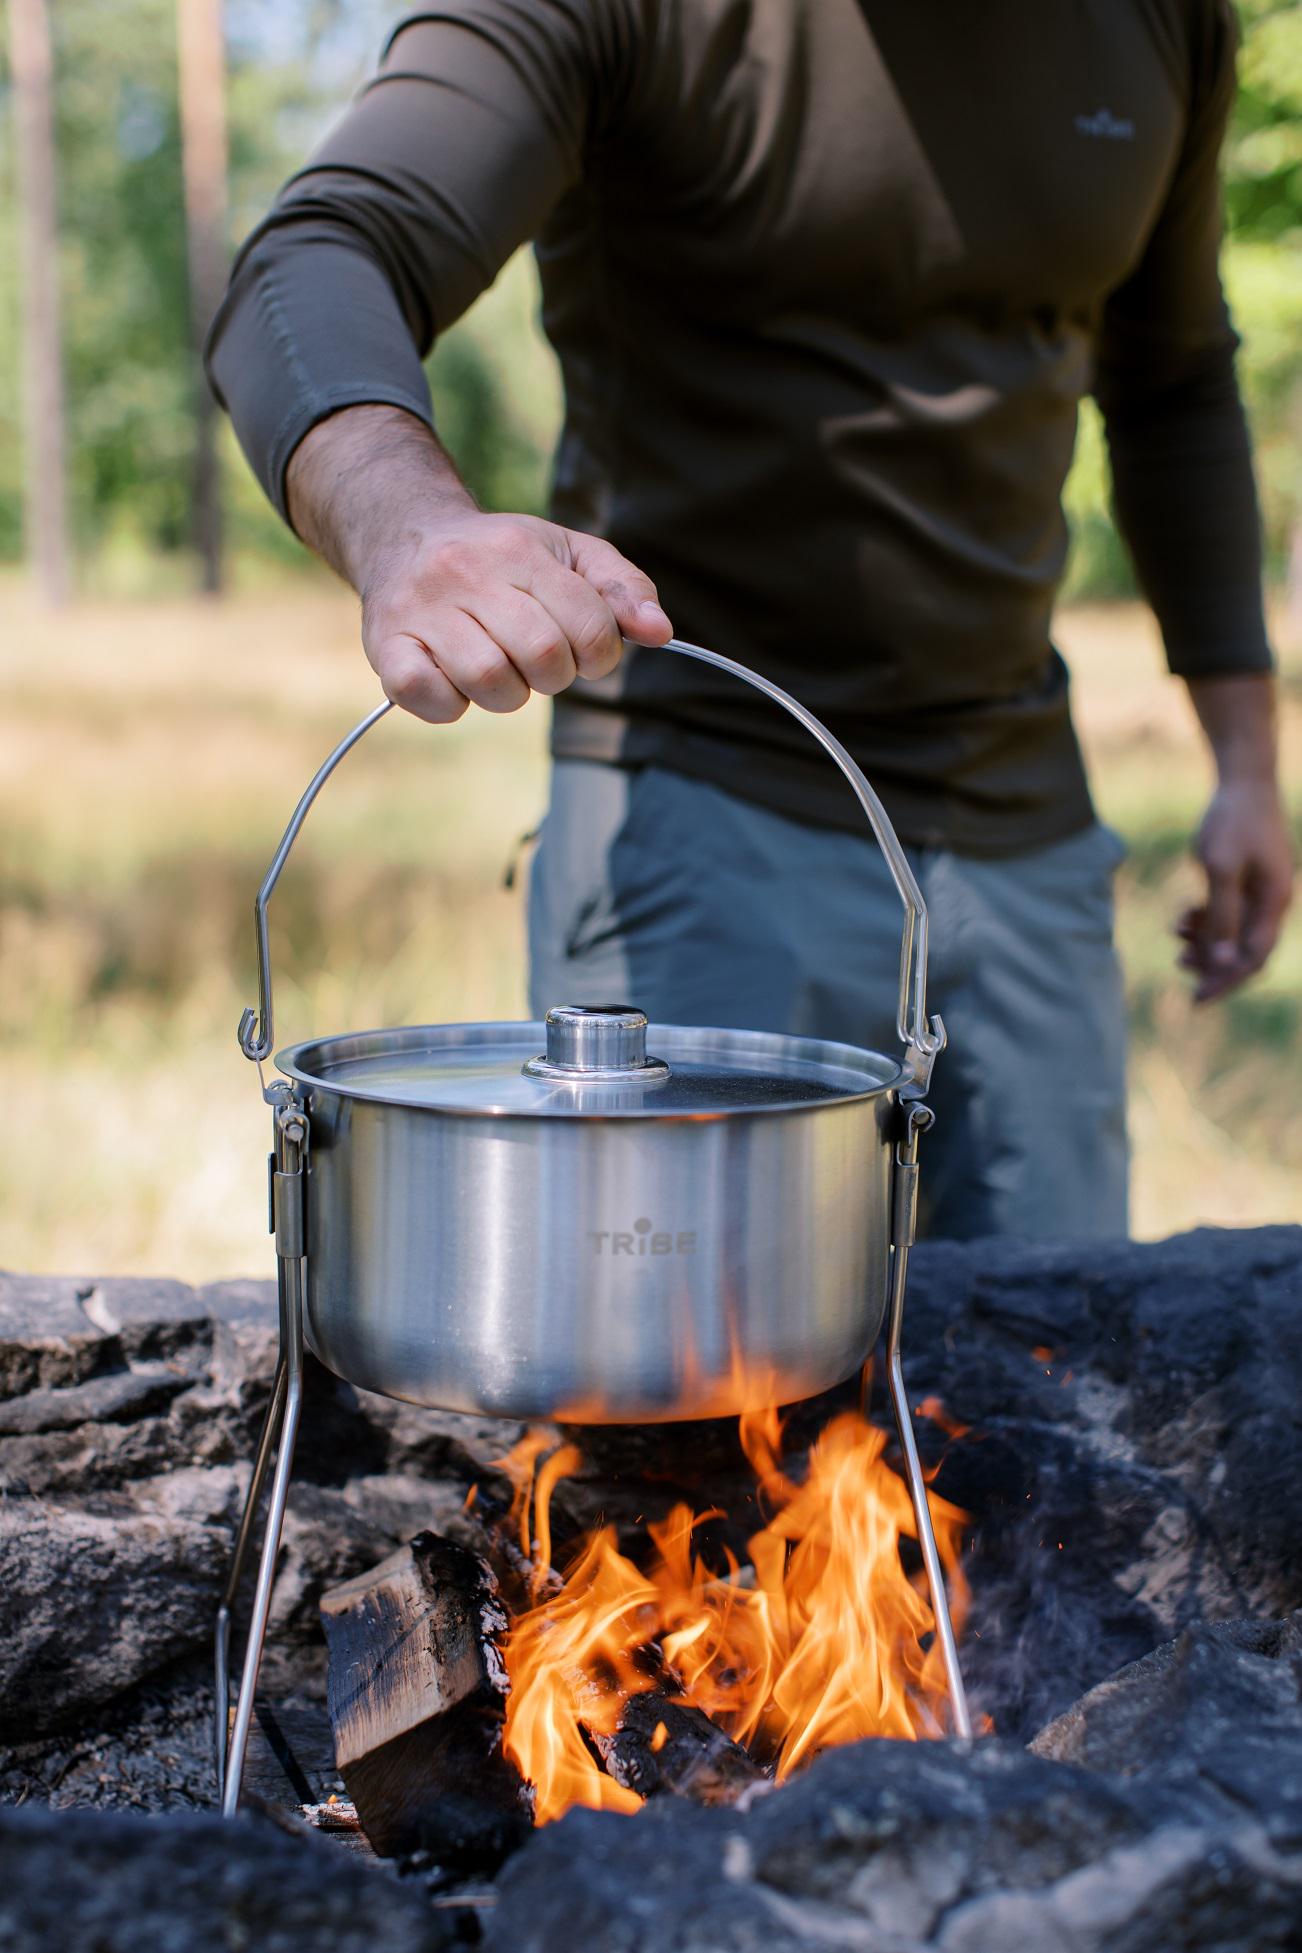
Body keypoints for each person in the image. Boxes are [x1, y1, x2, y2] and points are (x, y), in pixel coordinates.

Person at [207, 0, 1292, 1240]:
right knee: (688, 1390)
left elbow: (1176, 384)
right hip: (700, 812)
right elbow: (320, 252)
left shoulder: (1166, 25)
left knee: (1056, 1368)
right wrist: (406, 525)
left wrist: (1246, 764)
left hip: (1023, 826)